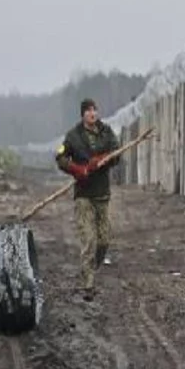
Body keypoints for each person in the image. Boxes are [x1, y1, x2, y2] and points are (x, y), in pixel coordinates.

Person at [54, 98, 122, 301]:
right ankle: (88, 285)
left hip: (102, 193)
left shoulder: (106, 132)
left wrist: (102, 160)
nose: (93, 114)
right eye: (89, 111)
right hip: (83, 195)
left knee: (103, 240)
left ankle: (93, 267)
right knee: (88, 240)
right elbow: (60, 158)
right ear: (82, 114)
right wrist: (77, 169)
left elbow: (117, 153)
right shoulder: (73, 136)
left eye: (95, 110)